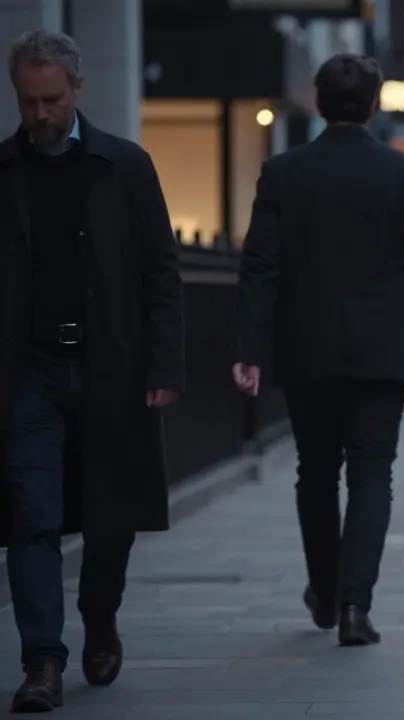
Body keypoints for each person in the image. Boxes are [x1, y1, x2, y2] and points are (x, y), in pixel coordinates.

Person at [234, 54, 404, 648]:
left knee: (316, 473)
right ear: (375, 103)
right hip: (385, 350)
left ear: (320, 102)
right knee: (372, 474)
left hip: (308, 347)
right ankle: (357, 605)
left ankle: (325, 590)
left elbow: (260, 266)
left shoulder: (283, 173)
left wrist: (250, 345)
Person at [0, 30, 185, 712]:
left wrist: (165, 363)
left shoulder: (125, 167)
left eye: (52, 99)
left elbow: (162, 273)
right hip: (30, 372)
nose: (41, 114)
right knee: (32, 517)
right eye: (28, 101)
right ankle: (43, 660)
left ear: (78, 90)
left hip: (113, 366)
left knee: (112, 518)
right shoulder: (5, 171)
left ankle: (99, 617)